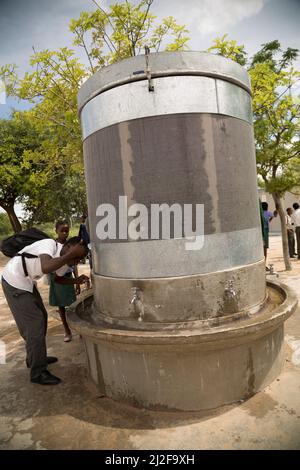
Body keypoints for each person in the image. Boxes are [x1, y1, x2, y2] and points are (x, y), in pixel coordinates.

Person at [1, 237, 89, 385]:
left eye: (78, 259)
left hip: (27, 282)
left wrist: (76, 280)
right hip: (14, 280)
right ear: (67, 246)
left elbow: (58, 279)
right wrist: (71, 254)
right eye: (75, 257)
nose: (74, 262)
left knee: (41, 316)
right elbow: (46, 267)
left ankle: (35, 358)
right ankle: (38, 372)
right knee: (34, 325)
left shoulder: (64, 260)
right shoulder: (49, 244)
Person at [49, 220, 81, 342]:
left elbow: (74, 265)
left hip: (68, 276)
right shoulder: (53, 246)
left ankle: (79, 329)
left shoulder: (70, 245)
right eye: (61, 231)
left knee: (73, 305)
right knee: (61, 306)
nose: (64, 233)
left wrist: (77, 281)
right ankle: (67, 330)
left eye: (66, 231)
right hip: (57, 278)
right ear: (56, 231)